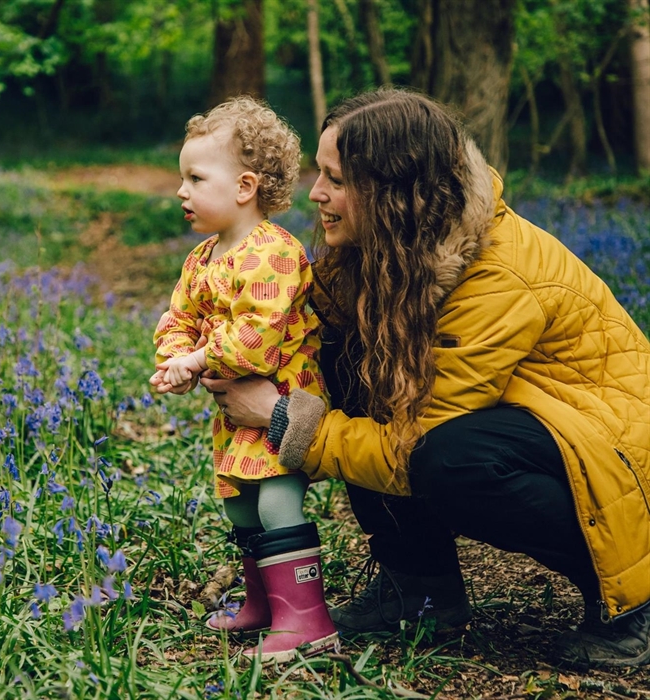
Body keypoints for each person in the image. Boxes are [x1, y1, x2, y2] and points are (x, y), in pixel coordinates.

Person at [201, 88, 650, 670]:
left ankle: (635, 600)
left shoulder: (496, 278)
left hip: (613, 456)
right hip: (533, 419)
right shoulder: (389, 245)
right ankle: (420, 587)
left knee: (451, 461)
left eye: (335, 179)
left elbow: (408, 450)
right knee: (342, 350)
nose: (315, 194)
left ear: (392, 193)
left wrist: (283, 418)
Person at [150, 96, 338, 663]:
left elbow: (257, 339)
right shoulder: (201, 259)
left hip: (282, 406)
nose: (180, 191)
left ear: (244, 186)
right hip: (236, 416)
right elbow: (176, 318)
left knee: (278, 505)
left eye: (194, 177)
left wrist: (200, 361)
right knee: (241, 507)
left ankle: (306, 619)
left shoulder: (275, 254)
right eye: (180, 178)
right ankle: (263, 604)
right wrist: (176, 357)